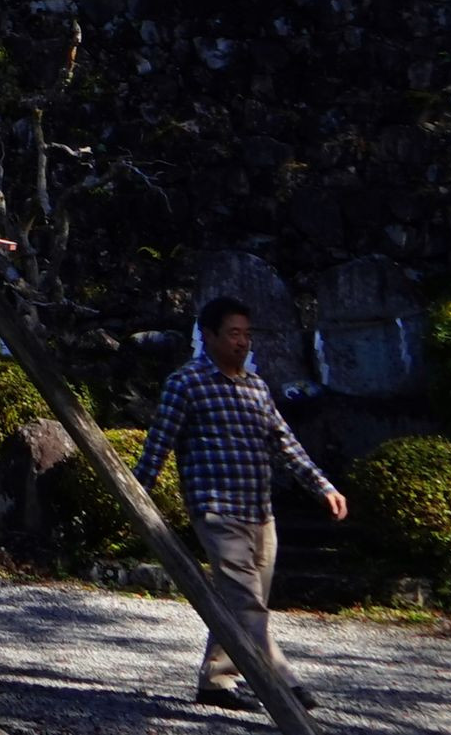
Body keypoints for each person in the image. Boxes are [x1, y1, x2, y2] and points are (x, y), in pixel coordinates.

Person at [140, 294, 345, 712]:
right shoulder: (186, 383)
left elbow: (285, 444)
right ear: (209, 335)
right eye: (233, 333)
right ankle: (284, 683)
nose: (242, 342)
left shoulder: (256, 388)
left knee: (242, 602)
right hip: (216, 509)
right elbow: (158, 444)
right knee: (248, 603)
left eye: (246, 334)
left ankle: (216, 680)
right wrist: (136, 497)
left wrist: (322, 486)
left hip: (260, 512)